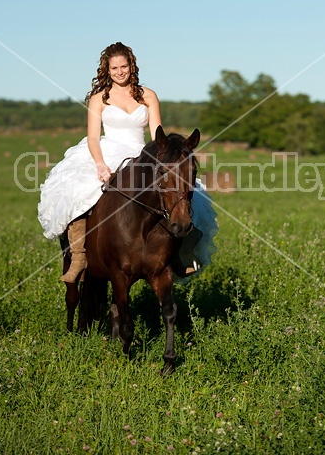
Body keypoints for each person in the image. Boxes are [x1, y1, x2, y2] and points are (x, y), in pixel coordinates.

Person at [37, 42, 217, 283]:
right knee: (76, 192)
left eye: (124, 66)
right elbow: (92, 137)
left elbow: (157, 136)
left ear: (132, 66)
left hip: (141, 153)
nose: (120, 72)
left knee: (180, 193)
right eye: (114, 68)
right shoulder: (99, 98)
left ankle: (178, 256)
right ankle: (79, 256)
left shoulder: (148, 95)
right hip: (107, 151)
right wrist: (100, 164)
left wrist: (166, 162)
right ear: (107, 70)